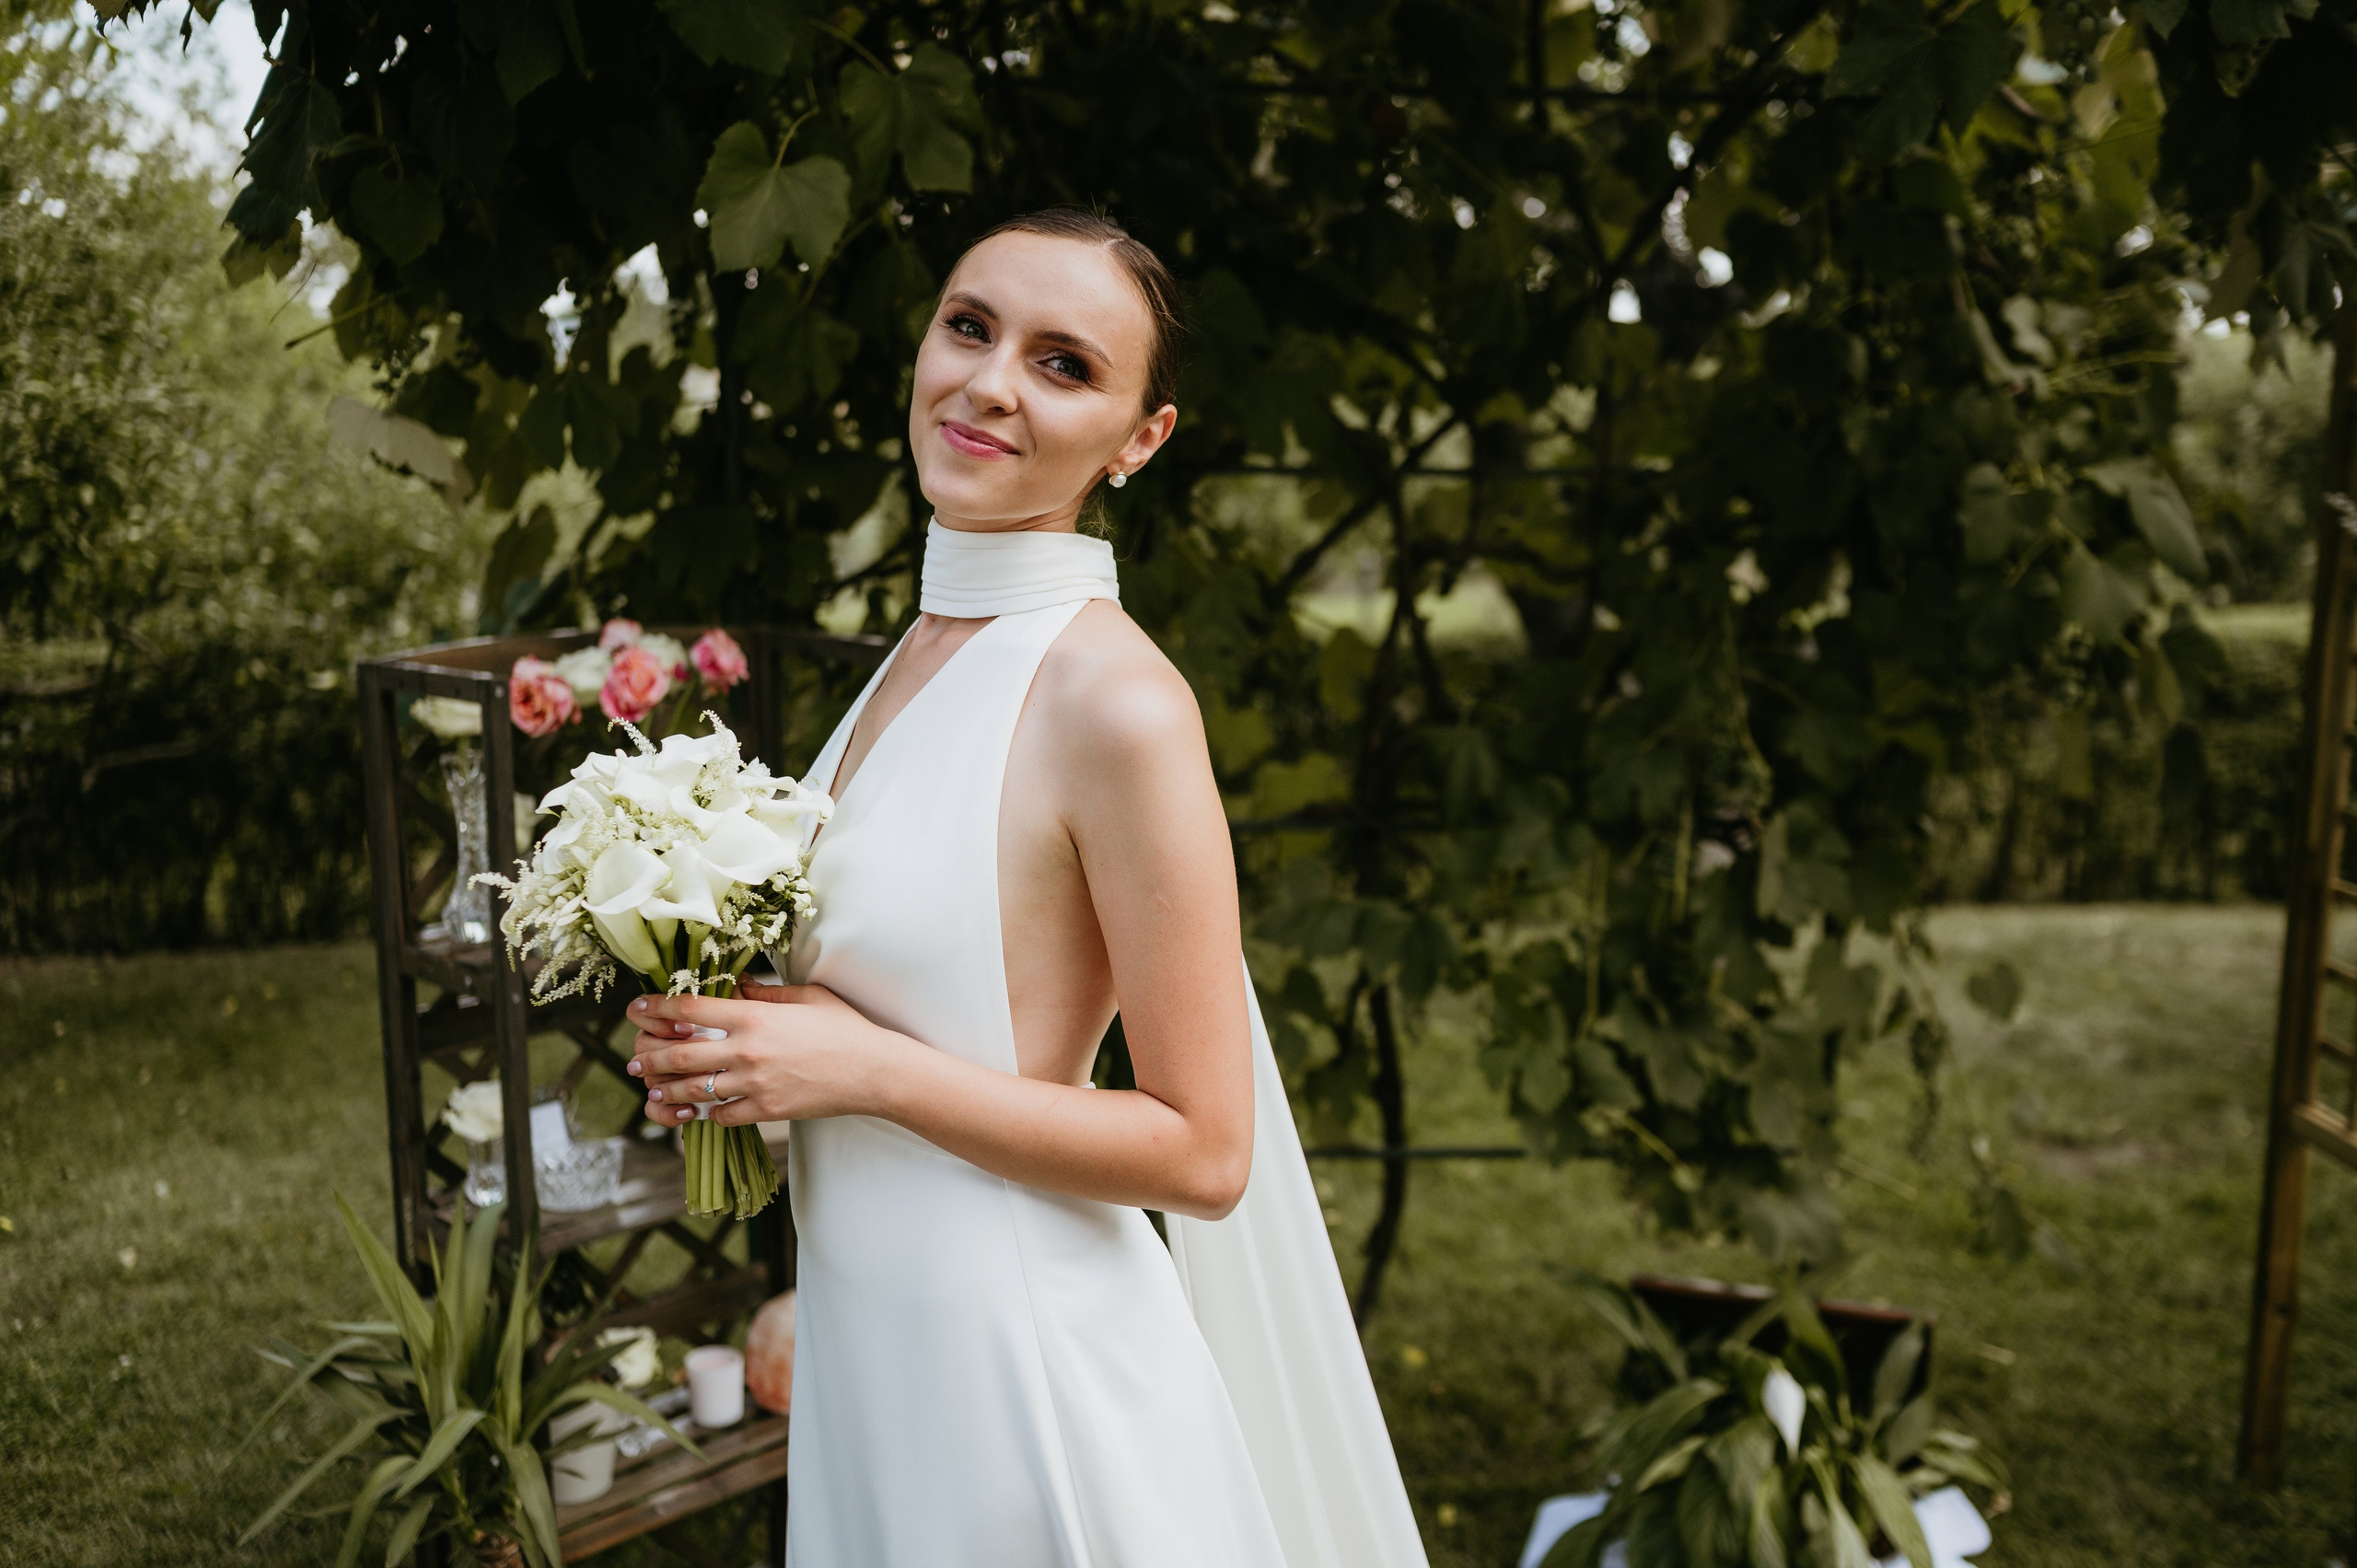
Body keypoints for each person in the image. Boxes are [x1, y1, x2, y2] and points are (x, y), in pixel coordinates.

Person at [623, 208, 1428, 1567]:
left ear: (1140, 440)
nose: (991, 382)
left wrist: (860, 1070)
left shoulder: (1117, 702)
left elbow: (1206, 1153)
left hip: (1026, 1382)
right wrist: (744, 1049)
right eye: (970, 326)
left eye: (1064, 365)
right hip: (884, 1359)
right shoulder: (918, 654)